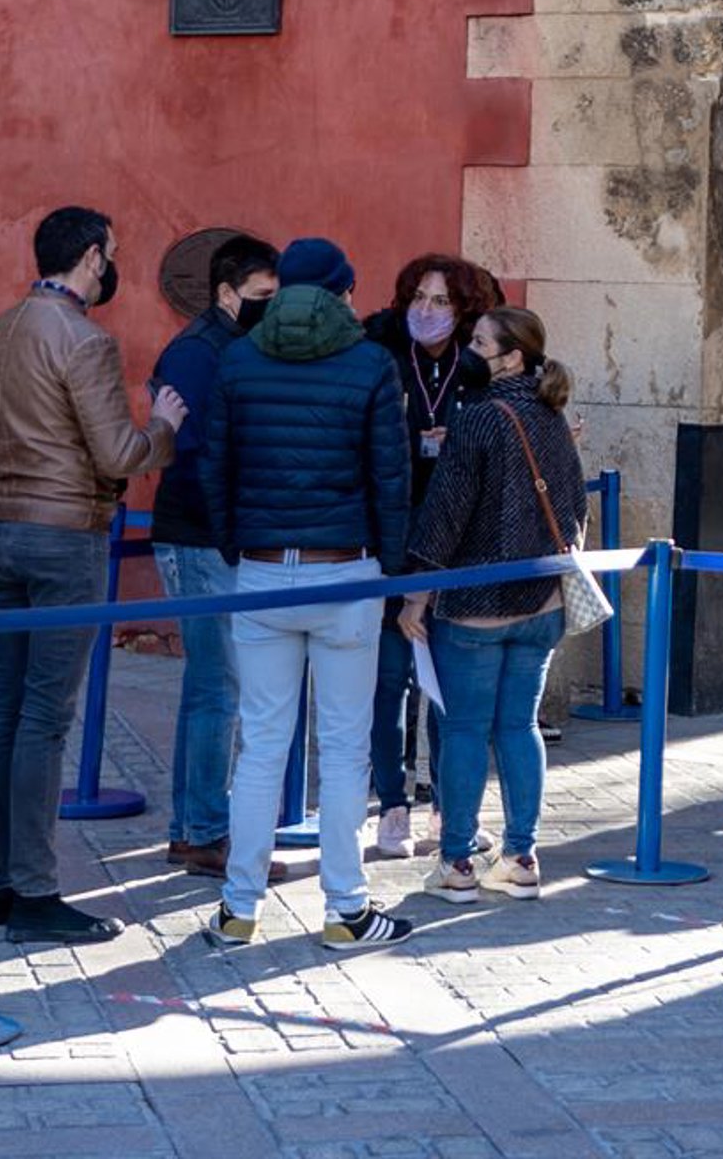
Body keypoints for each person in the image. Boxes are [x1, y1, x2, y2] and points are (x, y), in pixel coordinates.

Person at [0, 204, 185, 945]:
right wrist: (165, 427)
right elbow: (119, 452)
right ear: (92, 257)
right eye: (111, 253)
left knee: (6, 705)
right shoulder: (85, 341)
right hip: (65, 538)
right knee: (44, 716)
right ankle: (34, 893)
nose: (112, 266)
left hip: (3, 531)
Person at [199, 235, 412, 950]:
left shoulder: (238, 360)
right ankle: (346, 910)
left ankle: (239, 909)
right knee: (346, 749)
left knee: (261, 745)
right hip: (345, 568)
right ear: (343, 292)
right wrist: (389, 567)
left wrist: (236, 546)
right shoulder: (371, 364)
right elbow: (390, 478)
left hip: (261, 570)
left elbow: (215, 466)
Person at [401, 305, 586, 903]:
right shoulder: (552, 416)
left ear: (512, 358)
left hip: (474, 608)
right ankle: (521, 857)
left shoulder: (478, 418)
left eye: (480, 343)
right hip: (542, 602)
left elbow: (444, 516)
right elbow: (576, 508)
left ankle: (457, 863)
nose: (469, 352)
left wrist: (415, 596)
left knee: (463, 730)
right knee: (519, 727)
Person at [150, 230, 282, 878]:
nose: (270, 306)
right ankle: (203, 830)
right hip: (201, 537)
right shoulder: (199, 353)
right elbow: (199, 454)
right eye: (262, 294)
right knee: (217, 687)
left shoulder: (226, 346)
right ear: (228, 293)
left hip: (210, 535)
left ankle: (192, 827)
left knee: (210, 685)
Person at [362, 251, 501, 856]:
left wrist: (461, 443)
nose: (427, 310)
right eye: (419, 298)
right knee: (390, 679)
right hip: (394, 535)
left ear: (463, 308)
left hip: (460, 540)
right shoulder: (382, 355)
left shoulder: (482, 366)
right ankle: (393, 805)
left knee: (449, 682)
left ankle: (450, 807)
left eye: (441, 300)